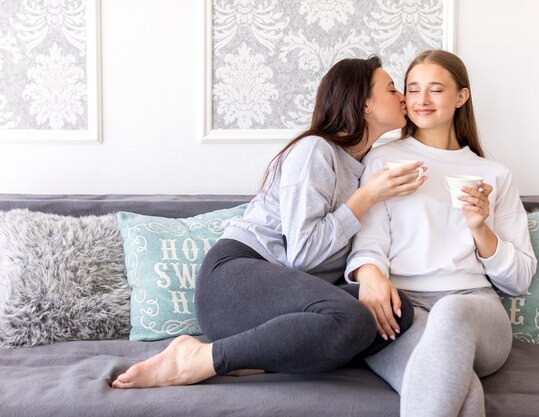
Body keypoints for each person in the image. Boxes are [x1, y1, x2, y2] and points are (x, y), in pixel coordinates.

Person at [111, 56, 426, 389]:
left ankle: (255, 361)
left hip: (283, 306)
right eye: (392, 89)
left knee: (396, 309)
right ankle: (199, 358)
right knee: (349, 317)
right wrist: (365, 198)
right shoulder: (315, 151)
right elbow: (304, 254)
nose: (404, 96)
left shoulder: (366, 166)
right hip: (234, 283)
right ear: (364, 105)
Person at [345, 50, 537, 417]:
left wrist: (480, 229)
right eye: (413, 89)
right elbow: (368, 244)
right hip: (402, 310)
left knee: (451, 311)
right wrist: (368, 275)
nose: (422, 100)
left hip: (476, 309)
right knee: (462, 395)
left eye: (435, 89)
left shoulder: (494, 174)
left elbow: (519, 280)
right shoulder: (383, 160)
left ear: (461, 97)